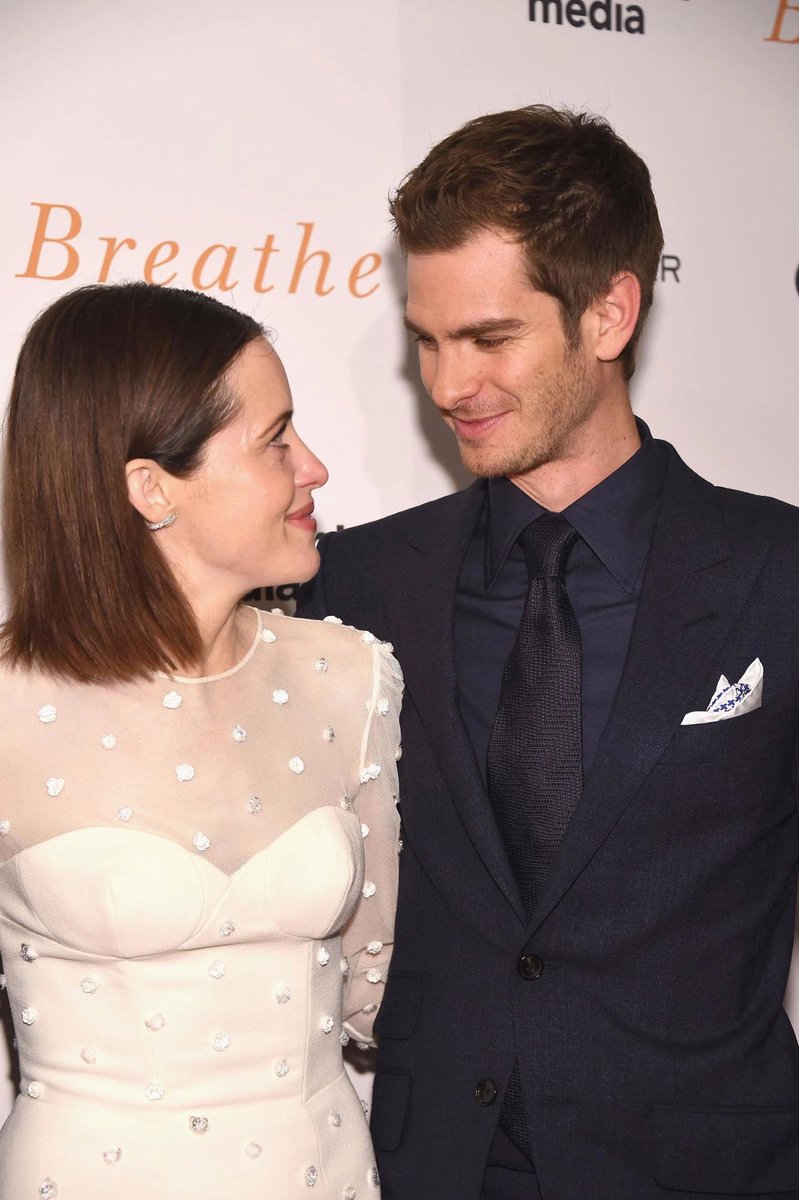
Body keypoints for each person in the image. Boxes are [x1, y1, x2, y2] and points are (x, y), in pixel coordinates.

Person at [297, 105, 799, 1199]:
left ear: (610, 311)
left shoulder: (778, 572)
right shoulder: (354, 584)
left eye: (488, 339)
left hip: (711, 1165)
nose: (445, 386)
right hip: (433, 1167)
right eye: (426, 341)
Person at [0, 282, 402, 1199]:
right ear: (151, 488)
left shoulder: (351, 676)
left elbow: (374, 987)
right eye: (276, 440)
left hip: (322, 1173)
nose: (315, 469)